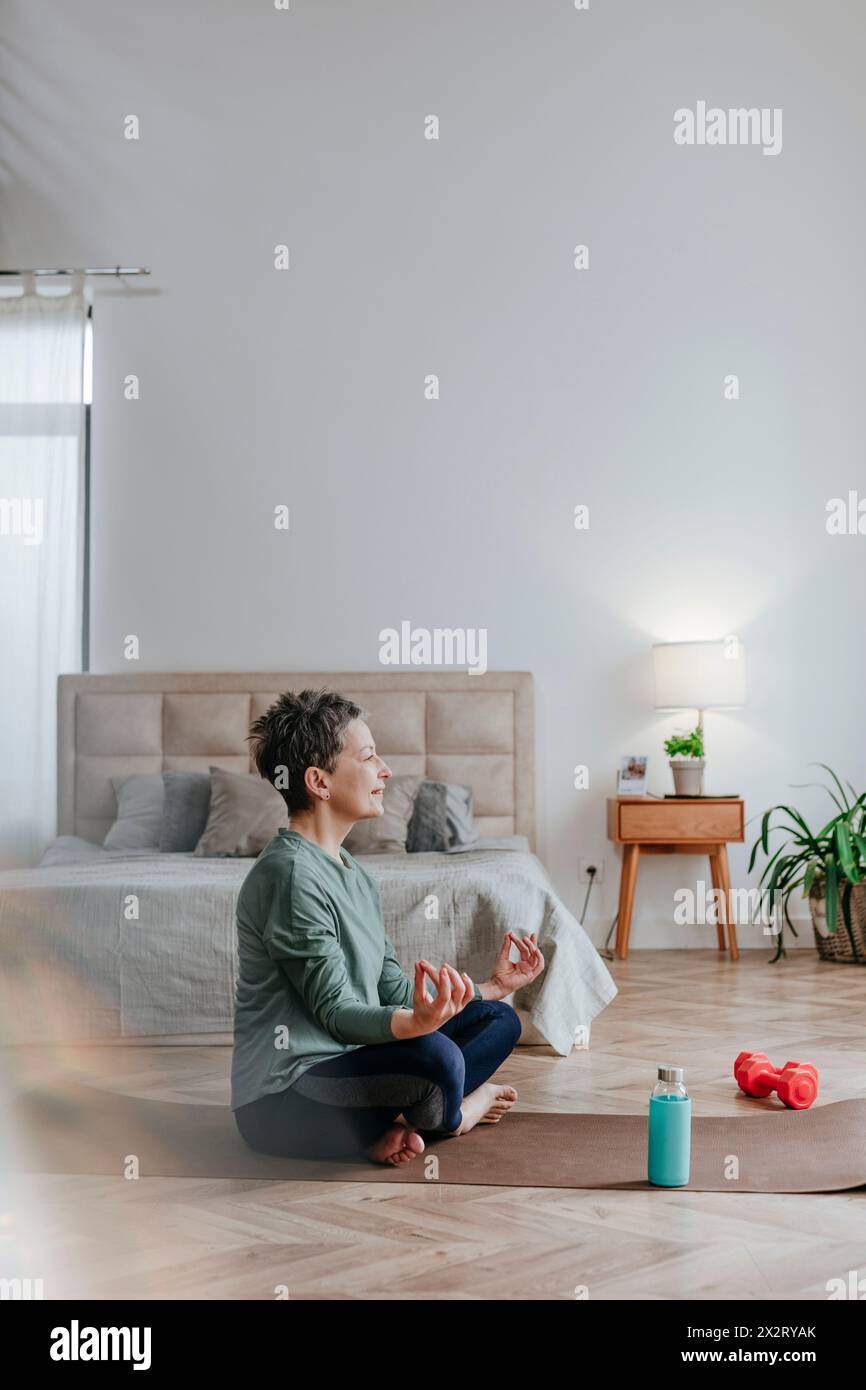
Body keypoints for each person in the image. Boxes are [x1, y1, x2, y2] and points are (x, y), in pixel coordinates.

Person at [231, 687, 545, 1166]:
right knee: (435, 1058)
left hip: (350, 1073)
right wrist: (417, 1026)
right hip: (285, 1100)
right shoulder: (290, 875)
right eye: (369, 757)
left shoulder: (352, 872)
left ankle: (394, 1124)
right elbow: (336, 1012)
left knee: (498, 1018)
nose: (385, 771)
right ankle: (456, 1115)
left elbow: (391, 986)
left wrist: (494, 986)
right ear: (319, 781)